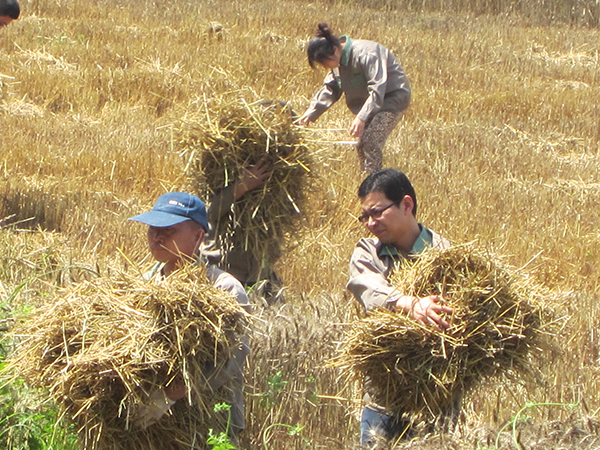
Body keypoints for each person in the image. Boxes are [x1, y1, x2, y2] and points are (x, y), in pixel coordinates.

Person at [128, 192, 250, 442]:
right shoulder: (142, 286)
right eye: (153, 229)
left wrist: (173, 394)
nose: (157, 237)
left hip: (208, 425)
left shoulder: (223, 289)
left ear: (197, 237)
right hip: (149, 429)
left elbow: (232, 356)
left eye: (169, 230)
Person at [346, 169, 454, 448]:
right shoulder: (368, 252)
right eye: (365, 217)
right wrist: (410, 304)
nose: (370, 223)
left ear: (407, 205)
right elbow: (367, 287)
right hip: (383, 394)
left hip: (436, 397)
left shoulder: (447, 255)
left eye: (377, 212)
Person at [298, 23, 411, 173]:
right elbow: (331, 88)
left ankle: (374, 183)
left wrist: (361, 117)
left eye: (325, 63)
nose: (326, 68)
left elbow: (378, 90)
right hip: (370, 102)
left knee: (371, 141)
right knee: (361, 146)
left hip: (391, 98)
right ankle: (366, 179)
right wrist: (310, 113)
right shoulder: (337, 62)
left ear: (335, 49)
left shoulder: (366, 54)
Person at [204, 158, 285, 304]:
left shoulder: (273, 194)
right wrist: (241, 187)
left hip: (261, 278)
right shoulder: (213, 175)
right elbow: (208, 213)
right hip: (224, 274)